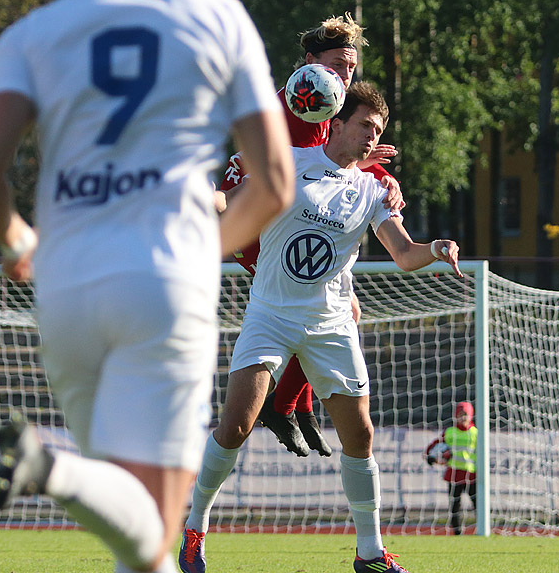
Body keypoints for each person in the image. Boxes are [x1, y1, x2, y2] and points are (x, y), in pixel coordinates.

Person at [0, 0, 294, 573]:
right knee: (153, 522)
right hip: (164, 281)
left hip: (65, 285)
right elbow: (274, 183)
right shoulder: (219, 15)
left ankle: (52, 470)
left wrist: (15, 239)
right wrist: (197, 251)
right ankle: (47, 467)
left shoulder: (35, 30)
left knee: (130, 529)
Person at [178, 82, 462, 573]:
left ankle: (370, 551)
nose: (372, 138)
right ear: (338, 121)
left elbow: (403, 254)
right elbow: (233, 201)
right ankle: (194, 530)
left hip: (330, 324)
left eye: (378, 131)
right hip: (270, 314)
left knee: (361, 436)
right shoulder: (288, 161)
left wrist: (437, 248)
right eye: (365, 126)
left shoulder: (374, 190)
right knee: (237, 425)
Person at [221, 13, 404, 459]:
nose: (345, 75)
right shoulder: (309, 98)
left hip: (272, 204)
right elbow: (310, 167)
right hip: (253, 213)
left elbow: (323, 163)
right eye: (338, 64)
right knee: (332, 306)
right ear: (309, 62)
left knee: (335, 308)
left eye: (351, 68)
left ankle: (298, 407)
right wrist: (367, 168)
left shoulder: (322, 101)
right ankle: (281, 405)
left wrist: (372, 170)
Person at [424, 402, 478, 535]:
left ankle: (483, 528)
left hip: (472, 475)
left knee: (478, 504)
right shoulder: (449, 432)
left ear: (471, 416)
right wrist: (432, 457)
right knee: (455, 506)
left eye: (465, 415)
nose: (463, 418)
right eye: (460, 415)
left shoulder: (476, 433)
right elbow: (434, 447)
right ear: (455, 416)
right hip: (453, 475)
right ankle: (457, 532)